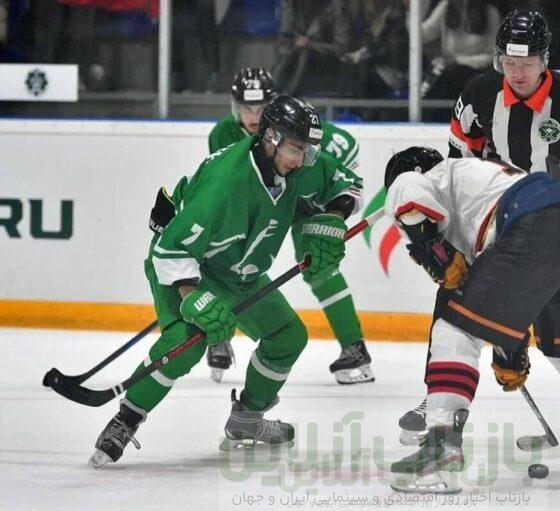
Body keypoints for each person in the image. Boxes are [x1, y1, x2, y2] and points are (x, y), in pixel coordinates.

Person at [89, 95, 364, 468]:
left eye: (306, 150)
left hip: (239, 269)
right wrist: (193, 297)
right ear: (270, 138)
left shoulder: (296, 164)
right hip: (187, 264)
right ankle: (125, 421)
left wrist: (333, 217)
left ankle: (246, 419)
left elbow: (346, 182)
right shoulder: (226, 184)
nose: (301, 160)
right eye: (296, 149)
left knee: (287, 336)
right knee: (184, 344)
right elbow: (171, 250)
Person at [398, 9, 560, 447]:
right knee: (454, 296)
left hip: (556, 228)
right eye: (509, 62)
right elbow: (458, 167)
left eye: (528, 63)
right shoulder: (478, 96)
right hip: (495, 224)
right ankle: (439, 406)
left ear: (545, 60)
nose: (518, 73)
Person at [384, 147, 560, 493]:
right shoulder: (480, 186)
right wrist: (509, 351)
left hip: (534, 226)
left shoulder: (427, 177)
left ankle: (442, 443)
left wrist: (433, 252)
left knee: (454, 328)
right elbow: (508, 298)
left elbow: (408, 200)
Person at [207, 67, 373, 385]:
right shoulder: (223, 134)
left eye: (259, 108)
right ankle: (218, 336)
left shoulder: (293, 124)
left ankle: (354, 346)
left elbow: (344, 147)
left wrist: (332, 205)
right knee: (227, 263)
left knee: (319, 266)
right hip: (255, 204)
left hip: (301, 197)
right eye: (245, 109)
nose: (252, 117)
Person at [418, 0, 501, 102]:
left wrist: (457, 60)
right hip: (447, 70)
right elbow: (422, 35)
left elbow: (492, 56)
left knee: (458, 76)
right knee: (432, 83)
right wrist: (413, 11)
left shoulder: (491, 13)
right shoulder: (445, 6)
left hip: (477, 72)